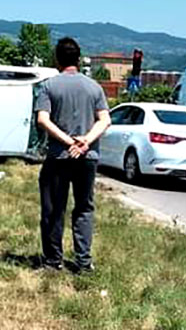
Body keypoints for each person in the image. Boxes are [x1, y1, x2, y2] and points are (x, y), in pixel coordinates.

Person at [35, 37, 111, 273]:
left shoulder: (49, 86)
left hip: (59, 156)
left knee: (54, 208)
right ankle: (84, 262)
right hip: (87, 158)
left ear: (57, 58)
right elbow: (105, 119)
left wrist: (69, 142)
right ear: (78, 59)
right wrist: (86, 141)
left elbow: (43, 119)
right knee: (84, 208)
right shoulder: (94, 87)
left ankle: (53, 261)